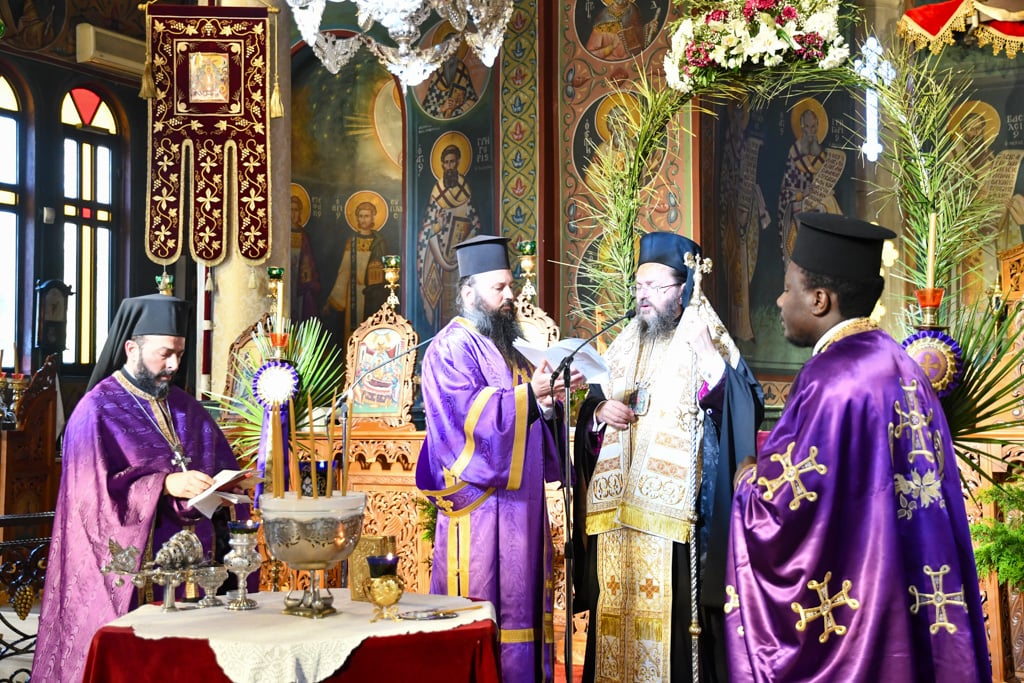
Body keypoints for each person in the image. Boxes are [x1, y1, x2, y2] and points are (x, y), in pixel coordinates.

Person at [725, 213, 990, 681]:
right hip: (906, 582)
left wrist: (747, 478)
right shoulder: (902, 365)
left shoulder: (830, 379)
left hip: (858, 608)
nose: (780, 300)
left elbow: (785, 507)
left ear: (820, 300)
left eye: (787, 288)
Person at [574, 231, 764, 682]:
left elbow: (743, 408)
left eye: (656, 287)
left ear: (683, 290)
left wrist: (711, 361)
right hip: (616, 525)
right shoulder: (623, 344)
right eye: (639, 286)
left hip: (674, 527)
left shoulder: (707, 339)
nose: (643, 295)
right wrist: (599, 413)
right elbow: (590, 411)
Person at [34, 294, 247, 683]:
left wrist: (228, 486)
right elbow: (89, 500)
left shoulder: (186, 407)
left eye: (179, 354)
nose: (174, 365)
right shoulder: (96, 410)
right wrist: (163, 485)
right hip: (137, 576)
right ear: (131, 348)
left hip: (195, 574)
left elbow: (222, 466)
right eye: (165, 354)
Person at [416, 235, 583, 683]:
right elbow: (465, 420)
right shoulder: (450, 347)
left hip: (522, 511)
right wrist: (530, 396)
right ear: (468, 292)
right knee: (480, 614)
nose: (511, 296)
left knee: (523, 612)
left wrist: (549, 402)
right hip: (477, 515)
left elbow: (530, 414)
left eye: (510, 286)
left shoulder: (511, 347)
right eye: (499, 288)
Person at [418, 142, 481, 329]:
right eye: (446, 162)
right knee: (442, 299)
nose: (450, 166)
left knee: (461, 297)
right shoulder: (436, 192)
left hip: (462, 256)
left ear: (459, 162)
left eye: (453, 162)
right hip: (439, 257)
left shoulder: (465, 189)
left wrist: (466, 239)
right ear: (442, 165)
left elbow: (475, 223)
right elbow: (427, 229)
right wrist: (439, 225)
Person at [777, 98, 845, 262]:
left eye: (813, 127)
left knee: (829, 202)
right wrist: (802, 194)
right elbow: (785, 192)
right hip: (798, 204)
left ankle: (836, 254)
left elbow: (824, 181)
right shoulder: (794, 154)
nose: (810, 132)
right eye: (807, 127)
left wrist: (826, 189)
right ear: (801, 127)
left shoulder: (821, 154)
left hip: (818, 202)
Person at [324, 197, 388, 336]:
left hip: (373, 293)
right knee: (353, 329)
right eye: (361, 216)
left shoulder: (379, 242)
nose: (363, 219)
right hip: (353, 291)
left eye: (367, 216)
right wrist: (333, 299)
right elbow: (344, 270)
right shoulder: (352, 241)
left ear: (373, 217)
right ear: (357, 218)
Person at [290, 185, 321, 323]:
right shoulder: (280, 233)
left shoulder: (303, 235)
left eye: (296, 210)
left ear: (300, 212)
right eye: (290, 209)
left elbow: (309, 260)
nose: (293, 213)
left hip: (299, 280)